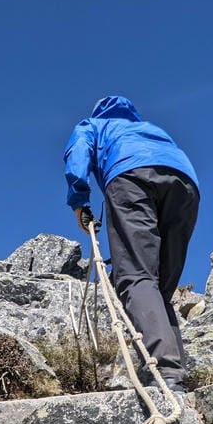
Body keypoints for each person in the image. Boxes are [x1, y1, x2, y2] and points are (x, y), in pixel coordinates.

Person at [64, 95, 200, 392]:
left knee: (137, 276)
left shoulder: (95, 125)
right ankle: (175, 368)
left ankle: (164, 370)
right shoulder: (150, 129)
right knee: (160, 286)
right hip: (184, 182)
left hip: (129, 175)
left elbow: (78, 152)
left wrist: (79, 201)